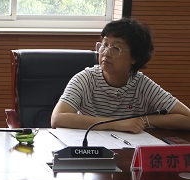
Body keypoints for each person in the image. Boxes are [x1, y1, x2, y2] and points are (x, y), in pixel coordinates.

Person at [51, 17, 190, 132]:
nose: (106, 53)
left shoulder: (142, 84)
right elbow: (57, 118)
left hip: (127, 152)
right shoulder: (85, 79)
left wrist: (143, 120)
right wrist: (117, 123)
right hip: (90, 150)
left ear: (135, 57)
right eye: (105, 45)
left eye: (116, 48)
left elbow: (187, 118)